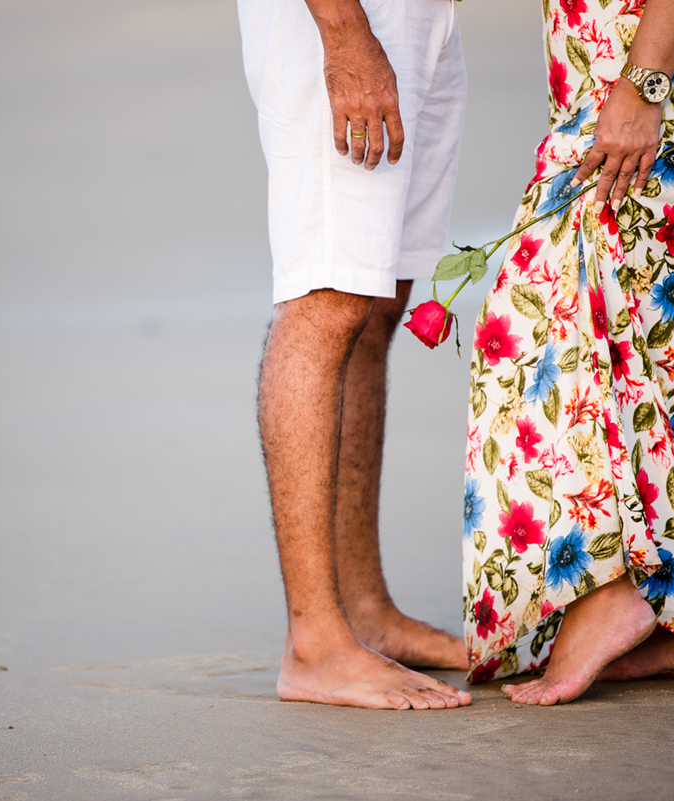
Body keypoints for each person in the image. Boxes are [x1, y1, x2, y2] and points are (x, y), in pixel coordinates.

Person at [461, 0, 674, 705]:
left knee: (539, 319)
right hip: (648, 74)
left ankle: (620, 589)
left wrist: (643, 85)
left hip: (662, 79)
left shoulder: (645, 88)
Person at [238, 0, 472, 710]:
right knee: (328, 296)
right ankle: (314, 644)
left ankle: (364, 608)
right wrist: (344, 32)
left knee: (376, 300)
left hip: (421, 18)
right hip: (346, 19)